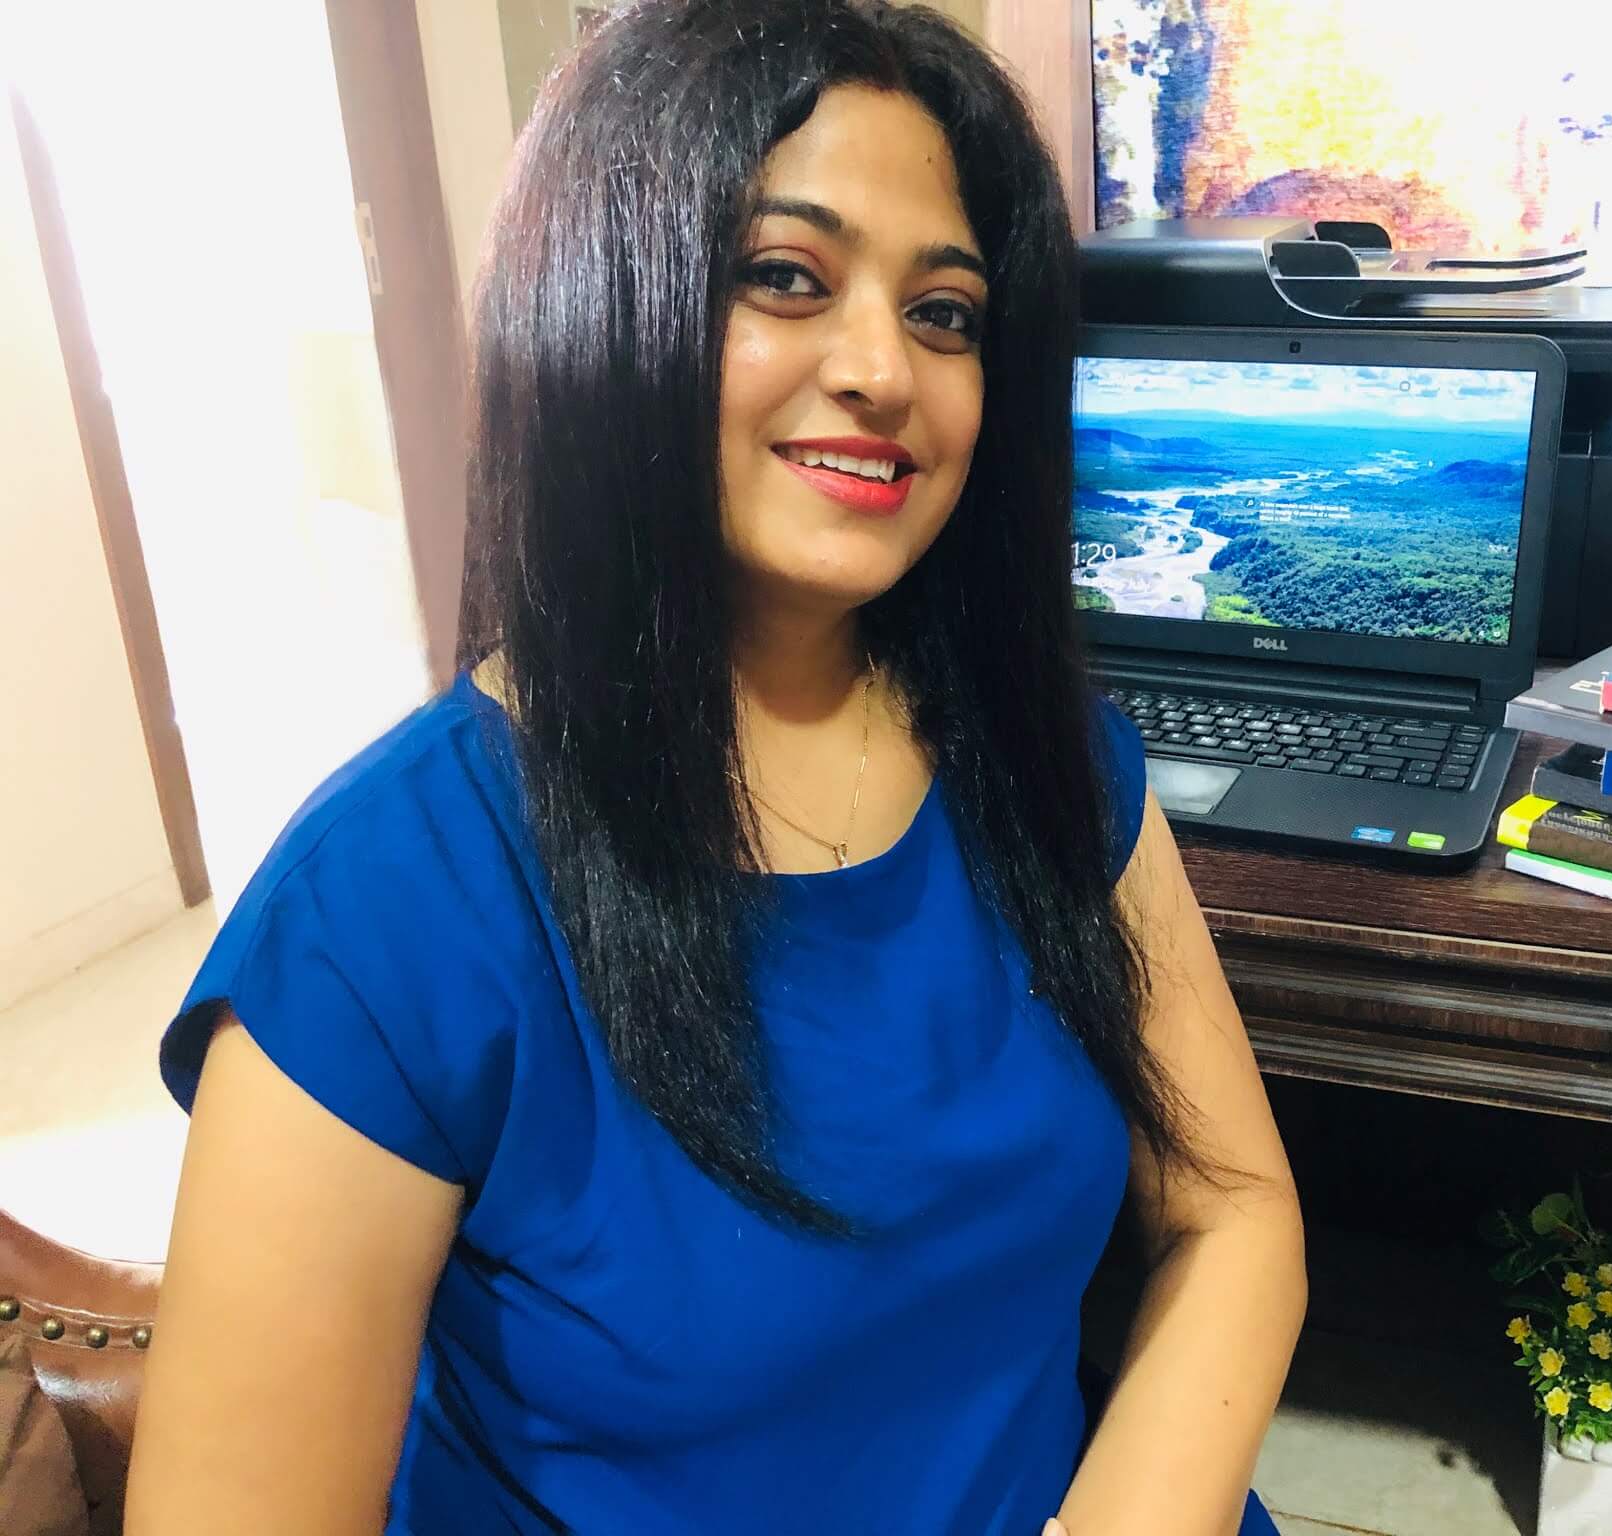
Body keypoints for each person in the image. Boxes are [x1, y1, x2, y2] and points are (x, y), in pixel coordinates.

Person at [124, 2, 1306, 1531]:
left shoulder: (1050, 762)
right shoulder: (392, 905)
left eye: (945, 311)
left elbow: (1234, 1212)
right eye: (785, 277)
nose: (884, 369)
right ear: (602, 300)